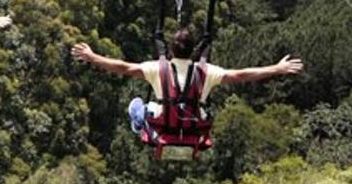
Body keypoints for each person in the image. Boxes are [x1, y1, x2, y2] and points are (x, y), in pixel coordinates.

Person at [71, 28, 303, 135]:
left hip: (163, 122)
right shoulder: (206, 71)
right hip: (194, 124)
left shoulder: (155, 68)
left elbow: (122, 67)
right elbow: (242, 75)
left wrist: (92, 57)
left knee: (137, 104)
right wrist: (277, 68)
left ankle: (141, 125)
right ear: (194, 51)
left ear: (171, 50)